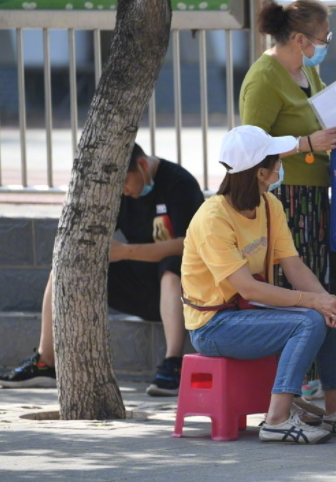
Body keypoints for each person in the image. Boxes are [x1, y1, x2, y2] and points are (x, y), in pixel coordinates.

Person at [181, 125, 336, 444]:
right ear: (261, 172)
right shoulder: (212, 219)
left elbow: (294, 264)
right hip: (213, 326)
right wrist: (312, 302)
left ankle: (333, 414)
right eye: (276, 160)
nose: (281, 164)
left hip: (250, 313)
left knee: (333, 314)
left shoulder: (269, 205)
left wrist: (326, 301)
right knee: (309, 319)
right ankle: (276, 419)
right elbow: (248, 289)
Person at [0, 143, 204, 396]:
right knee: (65, 269)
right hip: (139, 285)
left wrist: (126, 252)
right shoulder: (117, 190)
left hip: (183, 290)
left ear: (141, 165)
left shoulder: (179, 182)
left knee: (173, 264)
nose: (122, 190)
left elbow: (190, 244)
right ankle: (45, 362)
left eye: (125, 181)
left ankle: (173, 363)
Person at [240, 0, 336, 310]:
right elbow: (250, 146)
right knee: (295, 277)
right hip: (286, 196)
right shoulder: (264, 78)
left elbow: (324, 113)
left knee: (317, 274)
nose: (326, 45)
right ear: (299, 40)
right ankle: (298, 354)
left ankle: (319, 355)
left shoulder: (306, 73)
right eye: (324, 38)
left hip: (314, 193)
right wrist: (306, 144)